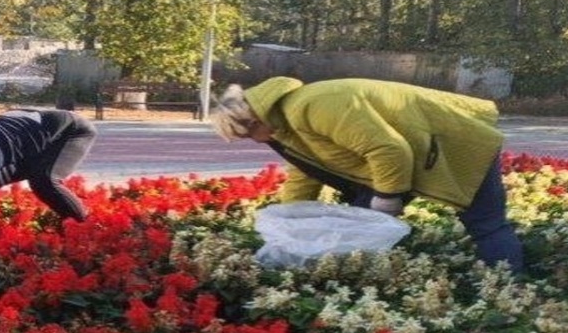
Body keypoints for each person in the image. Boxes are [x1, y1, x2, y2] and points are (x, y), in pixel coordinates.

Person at [210, 76, 524, 273]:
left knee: (486, 223)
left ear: (253, 118)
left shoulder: (312, 106)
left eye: (247, 132)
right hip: (407, 162)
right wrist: (289, 220)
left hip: (455, 145)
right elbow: (306, 172)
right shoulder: (284, 126)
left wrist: (387, 201)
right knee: (362, 229)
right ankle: (375, 284)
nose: (253, 140)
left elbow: (390, 150)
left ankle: (508, 287)